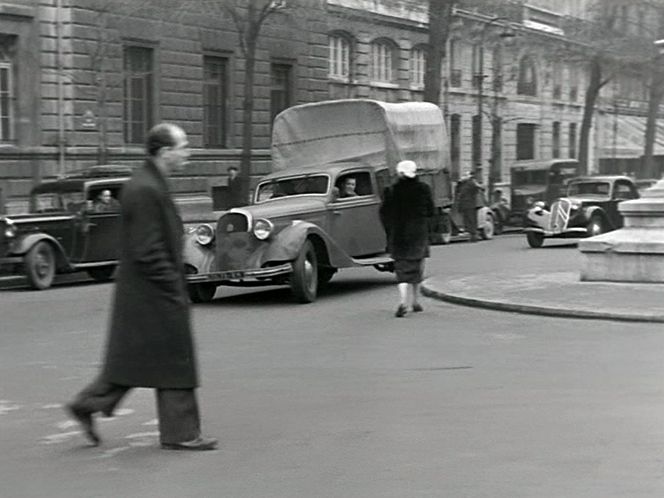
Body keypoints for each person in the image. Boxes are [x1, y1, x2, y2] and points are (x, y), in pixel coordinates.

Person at [66, 123, 217, 451]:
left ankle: (87, 403)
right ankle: (182, 433)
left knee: (133, 359)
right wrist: (174, 288)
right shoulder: (146, 188)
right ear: (165, 152)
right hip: (155, 291)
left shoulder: (147, 182)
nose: (187, 152)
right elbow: (148, 249)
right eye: (184, 146)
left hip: (143, 292)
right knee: (175, 358)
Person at [380, 160, 434, 317]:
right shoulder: (424, 189)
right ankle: (416, 301)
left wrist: (389, 230)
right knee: (417, 267)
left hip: (399, 235)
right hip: (418, 234)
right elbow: (431, 211)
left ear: (399, 173)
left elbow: (384, 213)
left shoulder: (390, 191)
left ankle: (403, 302)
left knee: (402, 270)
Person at [456, 170, 481, 242]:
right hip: (464, 205)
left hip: (470, 205)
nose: (464, 176)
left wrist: (472, 181)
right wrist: (459, 182)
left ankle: (474, 236)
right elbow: (458, 191)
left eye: (466, 175)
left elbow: (477, 188)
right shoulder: (463, 183)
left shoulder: (471, 182)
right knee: (467, 220)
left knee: (471, 220)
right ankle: (471, 234)